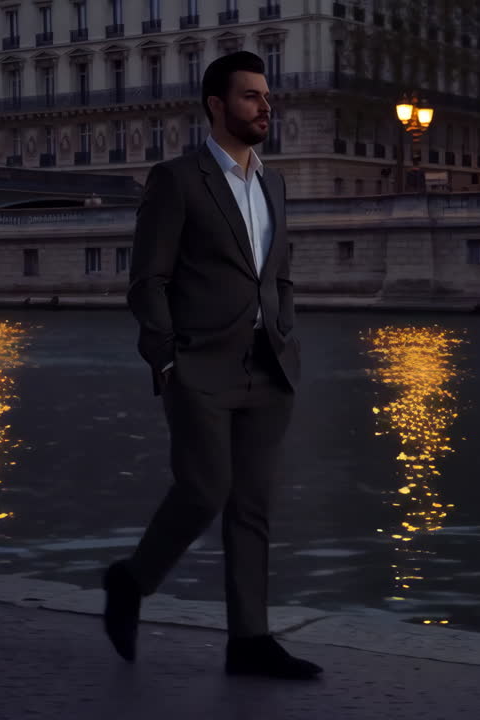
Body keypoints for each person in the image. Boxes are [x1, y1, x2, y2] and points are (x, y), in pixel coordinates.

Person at [103, 51, 321, 680]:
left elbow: (278, 275)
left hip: (269, 366)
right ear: (216, 106)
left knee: (252, 505)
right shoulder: (176, 180)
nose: (265, 106)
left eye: (267, 95)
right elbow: (148, 280)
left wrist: (285, 331)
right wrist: (166, 358)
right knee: (204, 490)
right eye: (251, 96)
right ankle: (131, 580)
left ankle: (249, 641)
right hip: (199, 365)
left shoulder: (274, 184)